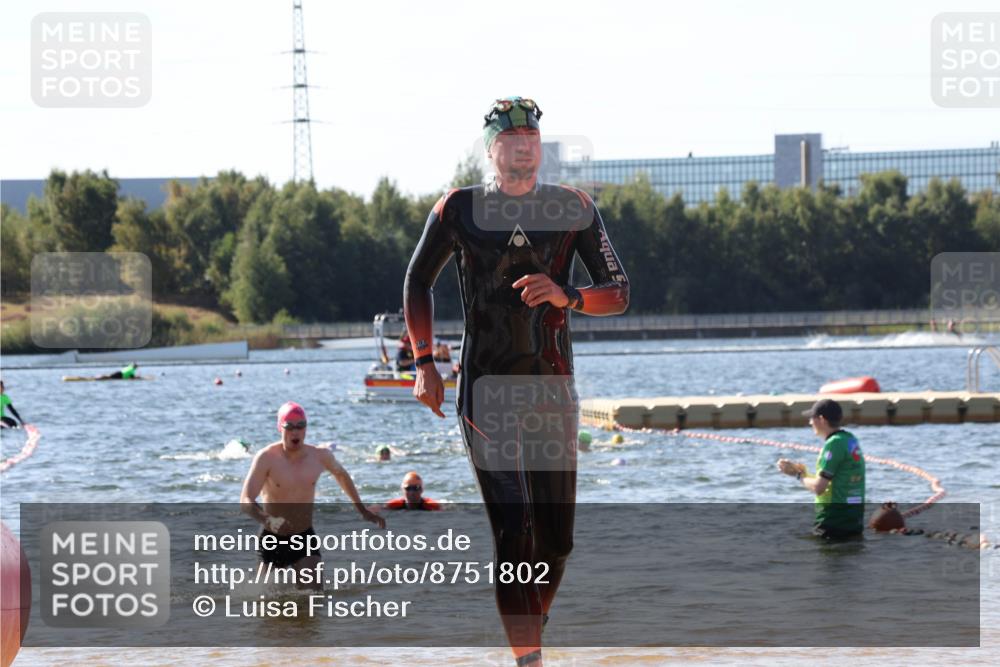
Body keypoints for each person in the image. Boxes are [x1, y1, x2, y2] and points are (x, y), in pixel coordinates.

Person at [403, 96, 629, 667]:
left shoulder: (573, 207)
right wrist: (425, 363)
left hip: (552, 386)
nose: (524, 144)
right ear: (492, 150)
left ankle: (533, 621)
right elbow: (415, 283)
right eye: (511, 137)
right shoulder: (459, 208)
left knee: (556, 542)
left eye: (532, 135)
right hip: (485, 388)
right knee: (514, 530)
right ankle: (529, 658)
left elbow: (619, 292)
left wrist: (567, 294)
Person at [240, 401, 385, 588]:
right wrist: (268, 520)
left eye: (301, 426)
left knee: (314, 599)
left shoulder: (319, 456)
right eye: (289, 427)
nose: (295, 432)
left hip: (304, 535)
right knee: (264, 602)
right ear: (279, 428)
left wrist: (362, 510)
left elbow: (342, 476)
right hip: (273, 537)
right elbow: (245, 500)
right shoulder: (266, 458)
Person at [777, 398, 866, 540]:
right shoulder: (850, 439)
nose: (810, 422)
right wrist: (806, 473)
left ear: (822, 419)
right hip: (854, 520)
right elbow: (834, 480)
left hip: (833, 521)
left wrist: (798, 475)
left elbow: (819, 487)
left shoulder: (834, 444)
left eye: (812, 418)